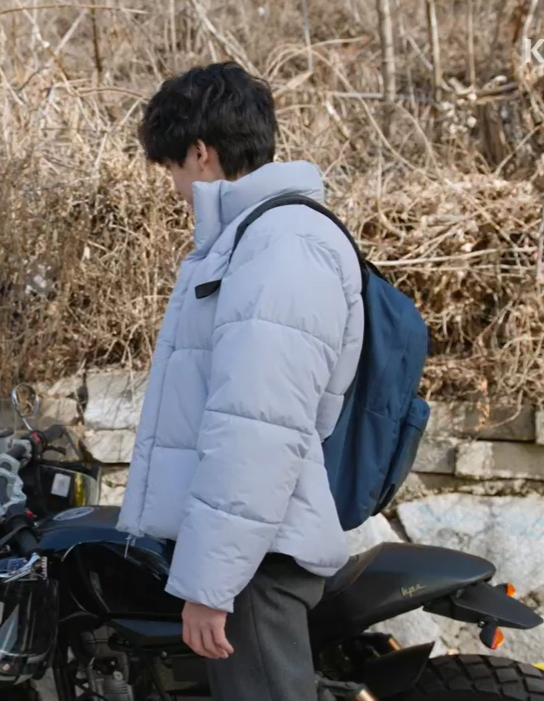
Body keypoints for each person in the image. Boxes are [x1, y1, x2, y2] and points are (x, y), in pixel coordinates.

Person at [115, 62, 365, 701]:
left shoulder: (281, 244)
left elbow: (259, 428)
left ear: (200, 152)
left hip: (259, 562)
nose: (175, 188)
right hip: (256, 550)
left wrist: (210, 584)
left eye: (172, 168)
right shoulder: (256, 238)